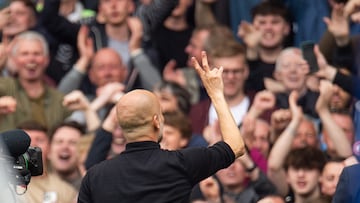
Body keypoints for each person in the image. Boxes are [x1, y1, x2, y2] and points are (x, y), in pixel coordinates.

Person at [78, 51, 246, 202]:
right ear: (156, 121)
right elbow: (235, 146)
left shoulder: (95, 177)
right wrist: (216, 94)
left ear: (120, 126)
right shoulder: (181, 163)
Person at [0, 31, 71, 132]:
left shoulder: (59, 100)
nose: (31, 59)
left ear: (46, 59)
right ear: (14, 60)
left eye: (36, 54)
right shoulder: (4, 87)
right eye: (24, 54)